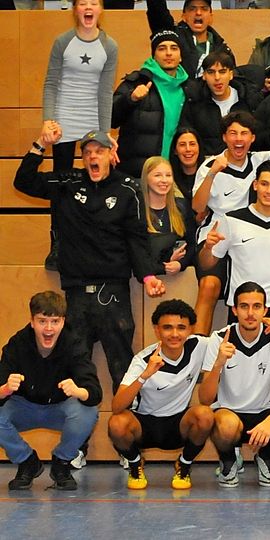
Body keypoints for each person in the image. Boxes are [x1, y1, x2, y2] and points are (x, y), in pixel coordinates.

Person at [15, 130, 166, 391]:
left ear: (111, 154)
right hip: (76, 292)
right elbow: (23, 182)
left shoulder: (128, 188)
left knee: (122, 367)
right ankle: (76, 414)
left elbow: (136, 237)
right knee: (73, 367)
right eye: (87, 153)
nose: (92, 157)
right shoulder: (68, 182)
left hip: (114, 292)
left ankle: (128, 414)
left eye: (99, 151)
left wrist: (148, 275)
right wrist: (40, 145)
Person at [199, 282, 270, 488]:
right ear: (234, 310)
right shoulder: (219, 338)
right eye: (244, 306)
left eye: (256, 306)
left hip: (264, 412)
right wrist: (218, 363)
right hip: (228, 413)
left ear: (265, 310)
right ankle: (228, 462)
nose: (250, 313)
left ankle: (266, 457)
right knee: (225, 426)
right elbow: (205, 398)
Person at [41, 0, 118, 270]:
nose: (88, 7)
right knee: (61, 182)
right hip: (64, 117)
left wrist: (105, 132)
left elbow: (106, 91)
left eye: (93, 3)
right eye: (82, 2)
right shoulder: (63, 41)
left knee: (96, 180)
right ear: (75, 9)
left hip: (91, 118)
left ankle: (93, 240)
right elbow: (51, 82)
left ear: (100, 9)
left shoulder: (109, 46)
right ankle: (58, 243)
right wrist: (48, 120)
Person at [108, 300, 215, 490]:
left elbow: (235, 334)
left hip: (178, 425)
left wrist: (264, 322)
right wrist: (144, 376)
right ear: (157, 330)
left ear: (191, 329)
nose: (174, 334)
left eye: (181, 327)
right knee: (117, 423)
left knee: (205, 415)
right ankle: (135, 464)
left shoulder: (200, 345)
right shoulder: (143, 359)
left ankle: (184, 465)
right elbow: (117, 406)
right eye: (167, 327)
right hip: (145, 425)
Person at [0, 291, 101, 491]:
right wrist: (4, 389)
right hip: (23, 408)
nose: (48, 328)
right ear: (32, 322)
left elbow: (95, 393)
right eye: (42, 321)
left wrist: (79, 391)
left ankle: (61, 463)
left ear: (63, 322)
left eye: (55, 321)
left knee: (88, 412)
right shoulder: (17, 344)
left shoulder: (74, 344)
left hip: (60, 409)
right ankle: (27, 461)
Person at [199, 160, 270, 342]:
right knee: (235, 359)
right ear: (255, 185)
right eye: (264, 184)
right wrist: (207, 247)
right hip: (242, 308)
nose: (269, 191)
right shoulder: (231, 220)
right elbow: (206, 264)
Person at [112, 30, 190, 178]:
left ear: (181, 56)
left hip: (173, 174)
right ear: (154, 55)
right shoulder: (136, 82)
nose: (168, 53)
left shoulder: (189, 88)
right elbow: (110, 118)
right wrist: (131, 99)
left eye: (174, 48)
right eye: (162, 48)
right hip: (136, 173)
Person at [180, 50, 263, 155]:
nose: (217, 78)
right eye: (211, 72)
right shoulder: (194, 103)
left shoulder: (250, 100)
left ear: (231, 74)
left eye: (222, 72)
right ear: (204, 75)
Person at [140, 157, 196, 278]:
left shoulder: (181, 206)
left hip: (178, 278)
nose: (164, 180)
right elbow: (137, 254)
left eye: (168, 175)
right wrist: (165, 264)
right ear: (146, 178)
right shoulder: (136, 210)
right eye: (158, 175)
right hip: (146, 280)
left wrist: (180, 264)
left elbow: (193, 243)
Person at [146, 0, 231, 79]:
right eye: (192, 9)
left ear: (211, 17)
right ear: (184, 16)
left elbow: (233, 75)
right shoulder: (172, 36)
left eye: (204, 9)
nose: (198, 13)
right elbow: (157, 11)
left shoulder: (222, 48)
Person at [169, 127, 204, 210]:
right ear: (175, 150)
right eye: (182, 145)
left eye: (192, 144)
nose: (188, 149)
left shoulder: (211, 170)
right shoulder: (167, 176)